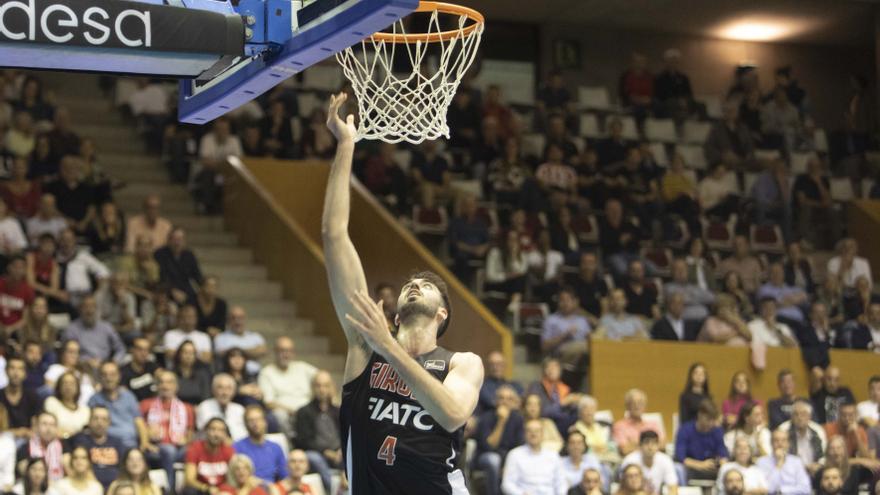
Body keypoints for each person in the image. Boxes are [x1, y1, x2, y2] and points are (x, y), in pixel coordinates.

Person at [321, 93, 484, 493]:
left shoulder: (461, 363)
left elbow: (451, 414)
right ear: (394, 315)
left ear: (442, 314)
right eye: (411, 283)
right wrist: (346, 145)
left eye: (427, 286)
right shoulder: (364, 346)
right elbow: (334, 235)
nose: (415, 285)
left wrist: (389, 349)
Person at [141, 370, 195, 493]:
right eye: (161, 382)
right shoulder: (146, 405)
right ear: (157, 386)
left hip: (180, 449)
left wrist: (186, 440)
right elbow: (140, 430)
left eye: (169, 382)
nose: (165, 386)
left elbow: (190, 433)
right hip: (155, 450)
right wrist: (147, 442)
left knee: (193, 451)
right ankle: (170, 491)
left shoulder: (187, 408)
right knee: (168, 450)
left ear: (176, 386)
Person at [257, 336, 317, 437]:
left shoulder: (302, 367)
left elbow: (323, 377)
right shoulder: (266, 372)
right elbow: (269, 403)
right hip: (286, 414)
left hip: (308, 411)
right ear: (275, 352)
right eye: (282, 350)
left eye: (289, 351)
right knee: (279, 415)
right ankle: (292, 442)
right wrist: (293, 411)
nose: (286, 354)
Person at [293, 371, 340, 494]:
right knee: (314, 458)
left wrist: (341, 450)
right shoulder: (303, 412)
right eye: (318, 385)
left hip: (338, 453)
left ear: (331, 387)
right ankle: (335, 490)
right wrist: (326, 452)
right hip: (317, 454)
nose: (322, 389)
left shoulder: (339, 411)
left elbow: (345, 436)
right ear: (312, 388)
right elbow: (304, 440)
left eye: (326, 385)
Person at [87, 361, 151, 451]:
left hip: (132, 445)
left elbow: (139, 422)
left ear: (119, 376)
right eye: (105, 375)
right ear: (100, 377)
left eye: (112, 374)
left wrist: (144, 443)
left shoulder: (129, 396)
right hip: (109, 447)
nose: (108, 378)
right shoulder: (94, 399)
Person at [473, 385, 524, 495]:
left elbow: (519, 447)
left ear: (514, 402)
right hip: (485, 457)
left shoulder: (518, 419)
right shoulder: (486, 417)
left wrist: (508, 464)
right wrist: (501, 422)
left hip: (508, 458)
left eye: (509, 399)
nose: (505, 402)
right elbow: (489, 446)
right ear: (496, 401)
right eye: (501, 398)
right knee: (494, 459)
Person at [501, 418, 566, 495]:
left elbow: (561, 483)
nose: (533, 434)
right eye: (530, 431)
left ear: (542, 434)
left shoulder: (553, 455)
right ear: (525, 434)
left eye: (537, 431)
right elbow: (507, 484)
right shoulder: (514, 455)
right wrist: (521, 493)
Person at [61, 296, 126, 366]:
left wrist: (114, 362)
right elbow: (67, 354)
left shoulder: (107, 327)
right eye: (86, 306)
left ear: (96, 309)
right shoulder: (71, 330)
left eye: (92, 306)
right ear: (80, 309)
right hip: (81, 367)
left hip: (104, 367)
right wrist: (84, 362)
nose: (89, 310)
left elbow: (120, 348)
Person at [71, 406, 124, 490]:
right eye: (96, 418)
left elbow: (123, 469)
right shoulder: (81, 440)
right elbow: (79, 465)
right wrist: (97, 488)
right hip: (89, 488)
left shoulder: (117, 442)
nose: (100, 422)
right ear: (89, 421)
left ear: (109, 422)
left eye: (104, 419)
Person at [674, 399, 728, 481]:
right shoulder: (685, 430)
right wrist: (701, 465)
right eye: (708, 419)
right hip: (692, 469)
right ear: (700, 415)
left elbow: (723, 453)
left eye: (713, 420)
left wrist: (722, 465)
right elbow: (681, 457)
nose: (711, 423)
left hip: (712, 469)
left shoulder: (717, 430)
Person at [233, 406, 287, 483]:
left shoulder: (276, 448)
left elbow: (284, 475)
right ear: (245, 424)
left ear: (265, 422)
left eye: (258, 419)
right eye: (251, 420)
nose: (255, 423)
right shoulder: (237, 447)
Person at [541, 286, 591, 369]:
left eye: (568, 300)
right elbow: (544, 346)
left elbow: (590, 338)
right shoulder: (551, 320)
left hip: (581, 355)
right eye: (562, 300)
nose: (565, 303)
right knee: (586, 347)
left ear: (574, 302)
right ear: (558, 302)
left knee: (593, 347)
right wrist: (564, 335)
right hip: (560, 355)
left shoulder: (582, 320)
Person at [184, 417, 235, 495]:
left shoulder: (228, 450)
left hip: (222, 491)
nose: (216, 434)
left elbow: (234, 477)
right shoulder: (195, 448)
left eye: (221, 431)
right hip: (202, 490)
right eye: (213, 429)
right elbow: (189, 479)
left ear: (225, 434)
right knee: (190, 491)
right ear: (206, 431)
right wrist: (206, 488)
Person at [155, 227, 204, 305]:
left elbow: (197, 275)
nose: (177, 243)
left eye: (180, 239)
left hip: (186, 290)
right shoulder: (160, 254)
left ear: (184, 241)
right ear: (169, 240)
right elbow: (161, 276)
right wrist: (172, 290)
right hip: (166, 290)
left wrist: (205, 288)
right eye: (175, 239)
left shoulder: (189, 255)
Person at [755, 430, 812, 495]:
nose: (780, 444)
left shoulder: (796, 462)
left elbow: (806, 488)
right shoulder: (761, 462)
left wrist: (781, 491)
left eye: (783, 440)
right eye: (776, 440)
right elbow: (767, 489)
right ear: (771, 443)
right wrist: (779, 465)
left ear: (788, 444)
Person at [621, 431, 678, 495]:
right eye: (646, 443)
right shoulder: (630, 460)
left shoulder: (666, 461)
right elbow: (622, 489)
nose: (650, 447)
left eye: (653, 443)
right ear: (640, 445)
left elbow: (673, 489)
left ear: (658, 445)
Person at [15, 412, 67, 482]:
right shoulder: (25, 448)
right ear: (36, 427)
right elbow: (24, 474)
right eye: (44, 424)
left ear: (56, 428)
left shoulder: (64, 446)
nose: (48, 429)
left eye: (52, 425)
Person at [704, 100, 755, 170]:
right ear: (724, 112)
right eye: (728, 110)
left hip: (745, 159)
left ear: (737, 112)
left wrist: (749, 153)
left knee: (768, 163)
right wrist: (723, 155)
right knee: (731, 160)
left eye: (733, 110)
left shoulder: (743, 128)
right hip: (727, 160)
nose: (731, 113)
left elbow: (750, 145)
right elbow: (708, 148)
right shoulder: (716, 128)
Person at [0, 356, 42, 442]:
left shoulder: (33, 396)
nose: (16, 373)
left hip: (27, 441)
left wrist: (29, 432)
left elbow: (36, 425)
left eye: (20, 369)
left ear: (25, 374)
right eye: (12, 368)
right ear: (6, 371)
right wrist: (17, 432)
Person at [612, 389, 664, 456]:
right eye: (633, 403)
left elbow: (662, 445)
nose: (637, 406)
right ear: (627, 406)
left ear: (645, 406)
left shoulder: (653, 424)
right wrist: (651, 444)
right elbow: (625, 450)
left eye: (640, 403)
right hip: (633, 461)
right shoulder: (619, 426)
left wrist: (635, 443)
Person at [780, 400, 826, 476]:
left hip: (815, 471)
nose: (800, 417)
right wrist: (803, 467)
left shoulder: (817, 430)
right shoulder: (783, 430)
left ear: (809, 416)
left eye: (803, 414)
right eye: (796, 414)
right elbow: (781, 455)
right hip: (791, 472)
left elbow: (824, 454)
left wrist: (819, 465)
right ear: (791, 417)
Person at [197, 374, 247, 441]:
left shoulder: (240, 409)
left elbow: (245, 435)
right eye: (220, 388)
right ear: (213, 390)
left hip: (238, 448)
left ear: (234, 392)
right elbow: (207, 434)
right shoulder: (205, 406)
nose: (225, 392)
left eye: (229, 388)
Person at [215, 306, 267, 370]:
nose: (237, 321)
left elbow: (262, 351)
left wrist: (236, 351)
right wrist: (250, 353)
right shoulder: (220, 337)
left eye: (240, 317)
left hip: (253, 375)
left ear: (245, 319)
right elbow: (221, 354)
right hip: (229, 376)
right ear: (228, 320)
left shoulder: (256, 337)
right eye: (233, 318)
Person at [570, 395, 617, 465]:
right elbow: (579, 449)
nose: (589, 413)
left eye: (592, 409)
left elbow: (612, 445)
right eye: (586, 409)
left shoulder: (601, 427)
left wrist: (605, 448)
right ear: (579, 413)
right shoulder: (575, 430)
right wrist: (596, 449)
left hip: (606, 460)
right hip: (587, 462)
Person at [43, 372, 89, 439]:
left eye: (72, 383)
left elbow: (86, 432)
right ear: (59, 386)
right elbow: (48, 427)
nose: (68, 386)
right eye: (65, 383)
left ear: (78, 387)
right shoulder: (51, 402)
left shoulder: (85, 410)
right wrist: (67, 436)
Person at [172, 340, 213, 405]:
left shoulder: (203, 374)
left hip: (198, 408)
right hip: (176, 409)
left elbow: (206, 396)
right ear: (179, 354)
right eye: (185, 352)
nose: (188, 356)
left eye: (191, 353)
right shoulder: (172, 374)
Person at [121, 337, 160, 401]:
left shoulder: (152, 366)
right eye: (140, 349)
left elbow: (164, 376)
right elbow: (124, 396)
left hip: (153, 406)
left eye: (146, 350)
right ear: (132, 350)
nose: (143, 353)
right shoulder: (123, 371)